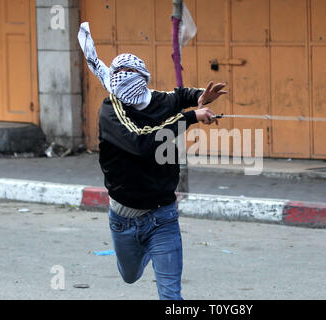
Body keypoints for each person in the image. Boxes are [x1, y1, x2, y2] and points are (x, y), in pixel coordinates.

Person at [78, 23, 227, 300]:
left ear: (144, 80)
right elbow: (142, 143)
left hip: (163, 216)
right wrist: (191, 117)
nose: (133, 98)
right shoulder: (111, 111)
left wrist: (199, 97)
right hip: (125, 217)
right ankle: (145, 252)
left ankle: (158, 250)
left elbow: (177, 96)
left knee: (171, 295)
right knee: (130, 276)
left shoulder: (155, 100)